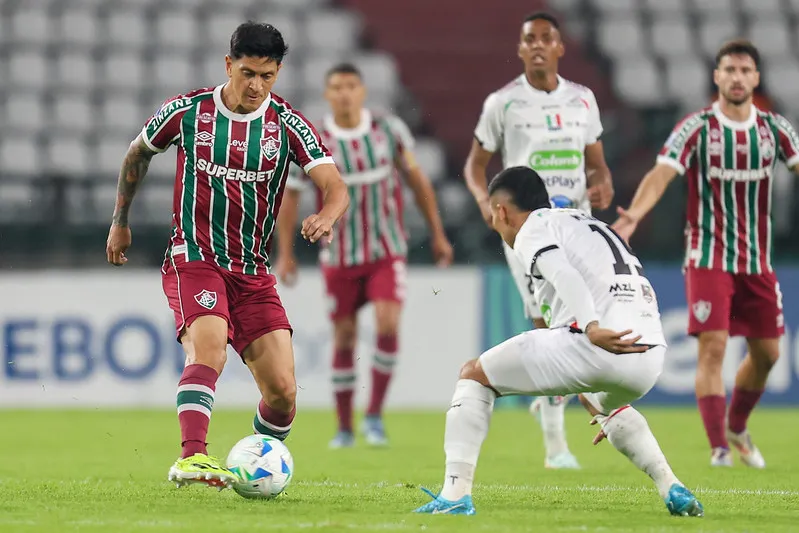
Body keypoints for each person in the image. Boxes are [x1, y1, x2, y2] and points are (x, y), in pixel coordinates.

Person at [105, 21, 349, 488]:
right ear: (228, 64)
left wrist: (329, 216)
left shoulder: (288, 125)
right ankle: (191, 458)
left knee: (282, 394)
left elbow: (335, 186)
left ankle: (256, 464)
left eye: (268, 76)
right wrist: (120, 220)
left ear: (278, 73)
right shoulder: (187, 112)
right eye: (248, 73)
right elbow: (137, 154)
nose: (257, 85)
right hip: (194, 257)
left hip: (253, 273)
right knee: (210, 347)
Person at [413, 167, 703, 517]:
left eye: (493, 213)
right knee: (597, 401)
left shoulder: (533, 227)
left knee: (474, 375)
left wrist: (592, 326)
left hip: (599, 342)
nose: (494, 223)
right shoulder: (584, 222)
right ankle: (671, 485)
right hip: (649, 353)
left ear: (502, 210)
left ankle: (455, 495)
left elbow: (561, 272)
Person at [612, 39, 799, 468]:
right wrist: (635, 214)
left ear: (755, 78)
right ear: (717, 76)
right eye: (729, 70)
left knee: (768, 355)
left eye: (744, 70)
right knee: (712, 346)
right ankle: (719, 448)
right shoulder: (695, 128)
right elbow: (662, 174)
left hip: (758, 262)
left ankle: (736, 426)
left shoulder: (775, 130)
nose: (736, 77)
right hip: (708, 255)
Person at [463, 11, 614, 469]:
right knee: (552, 325)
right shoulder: (503, 103)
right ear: (521, 48)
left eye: (547, 38)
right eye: (530, 39)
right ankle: (555, 446)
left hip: (576, 226)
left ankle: (550, 415)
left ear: (560, 47)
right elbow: (474, 167)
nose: (539, 46)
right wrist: (485, 203)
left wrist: (601, 179)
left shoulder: (583, 100)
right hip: (527, 230)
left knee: (565, 324)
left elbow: (596, 163)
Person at [276, 63, 454, 448]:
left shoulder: (388, 130)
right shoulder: (314, 137)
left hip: (386, 250)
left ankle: (373, 415)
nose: (343, 93)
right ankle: (344, 427)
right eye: (336, 86)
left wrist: (437, 234)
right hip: (338, 255)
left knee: (387, 324)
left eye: (350, 86)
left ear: (362, 92)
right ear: (327, 94)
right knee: (344, 338)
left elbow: (417, 181)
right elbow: (290, 198)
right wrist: (285, 254)